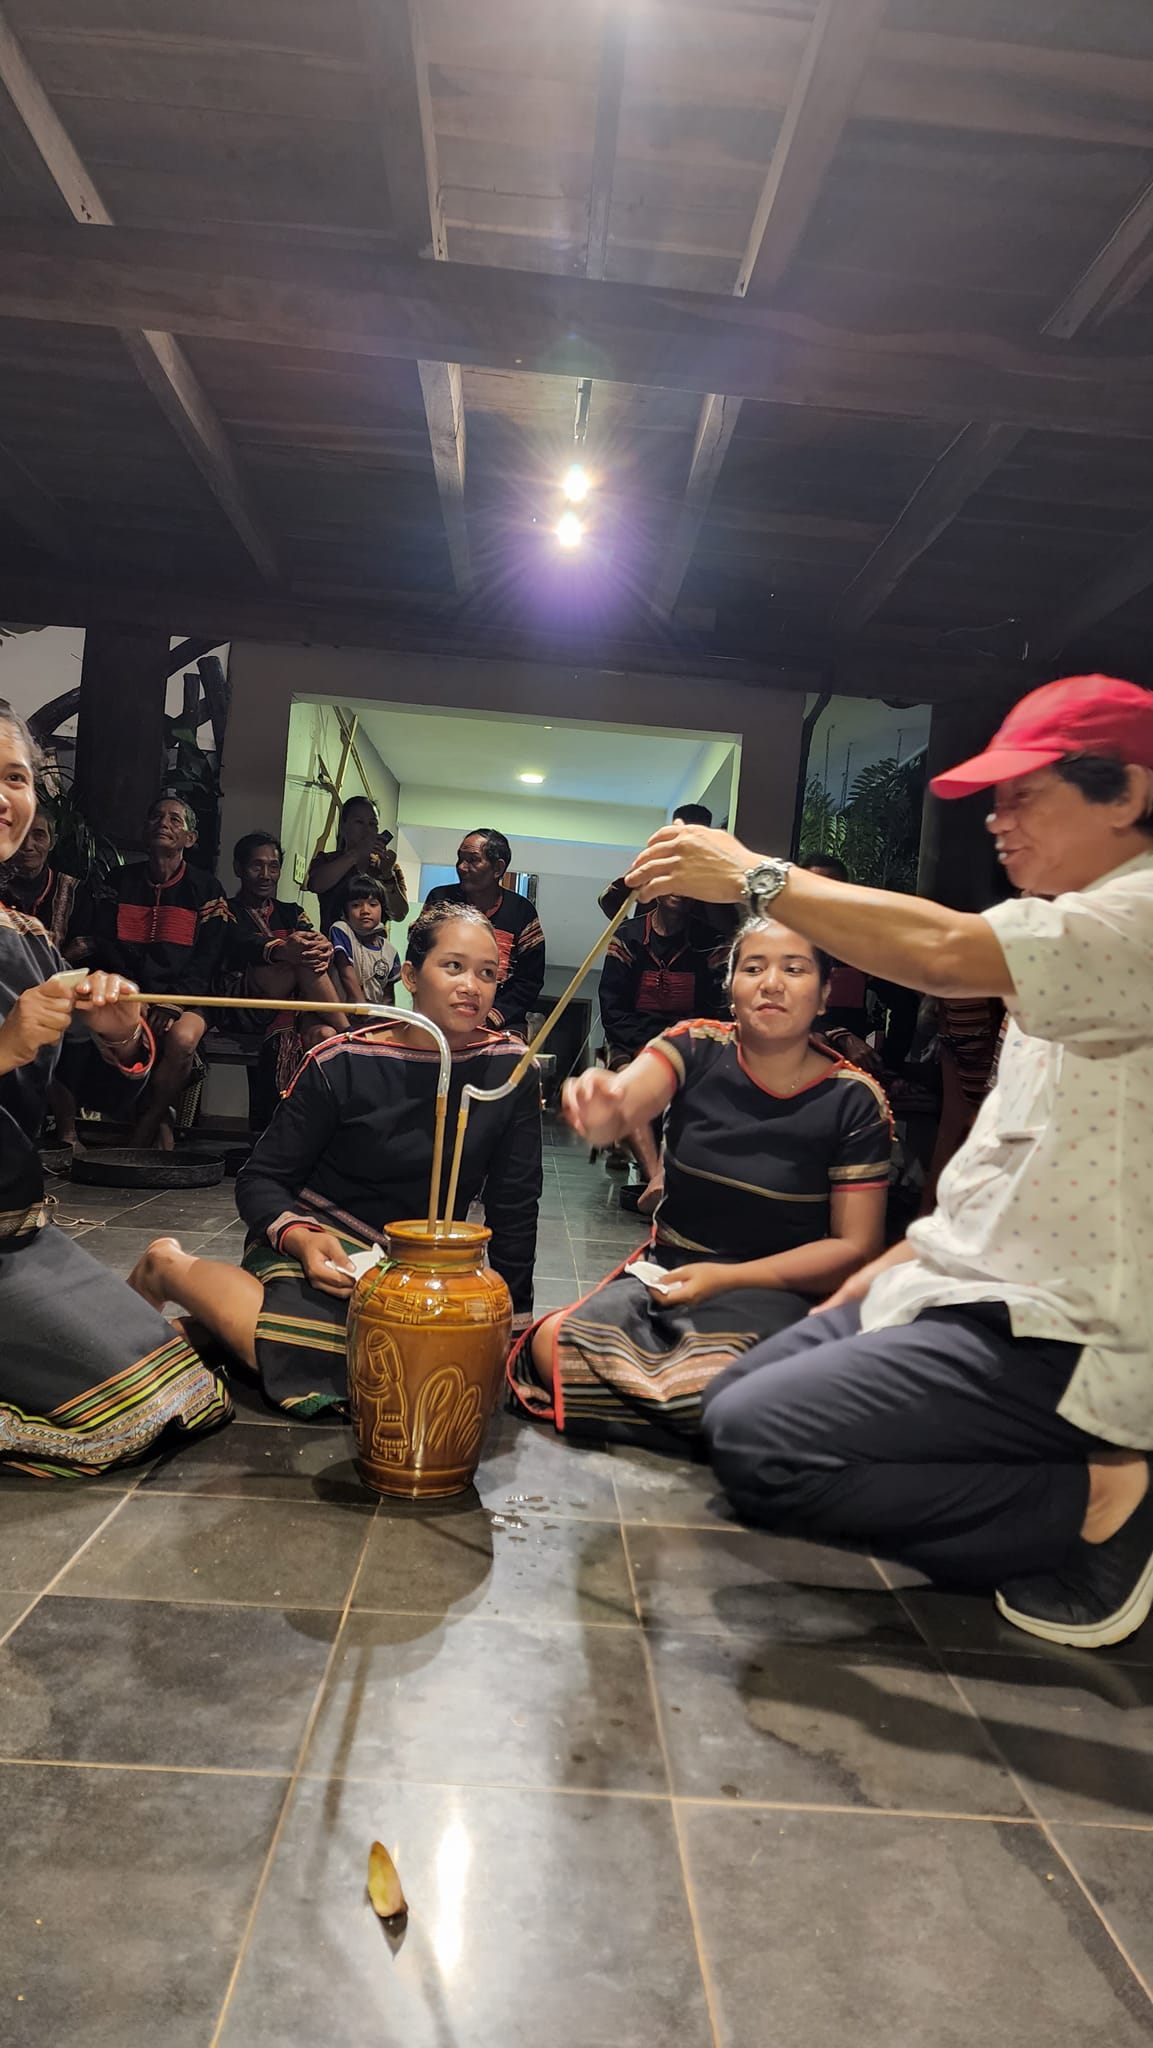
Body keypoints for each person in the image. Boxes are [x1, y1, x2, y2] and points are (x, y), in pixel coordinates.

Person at [625, 673, 1153, 1652]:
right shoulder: (1064, 937)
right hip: (963, 1279)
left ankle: (1100, 1496)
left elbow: (943, 952)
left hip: (1059, 1320)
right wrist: (892, 1268)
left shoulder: (1134, 918)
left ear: (1124, 792)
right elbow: (1004, 1160)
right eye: (753, 966)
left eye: (1023, 795)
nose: (996, 821)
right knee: (727, 1405)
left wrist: (756, 874)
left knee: (762, 1442)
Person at [127, 903, 543, 1417]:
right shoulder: (342, 1061)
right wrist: (300, 1237)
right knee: (329, 1355)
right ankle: (167, 1266)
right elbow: (260, 1181)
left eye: (487, 974)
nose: (471, 987)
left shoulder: (510, 1071)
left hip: (414, 1265)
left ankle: (208, 1332)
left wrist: (515, 1335)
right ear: (411, 976)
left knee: (411, 1368)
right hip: (320, 1245)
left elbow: (515, 1205)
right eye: (453, 967)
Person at [508, 916, 890, 1443]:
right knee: (550, 1343)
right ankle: (722, 1422)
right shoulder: (694, 1046)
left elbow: (854, 1250)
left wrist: (727, 1279)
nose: (771, 983)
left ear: (825, 994)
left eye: (794, 969)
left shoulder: (854, 1099)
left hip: (782, 1294)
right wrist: (602, 1105)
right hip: (667, 1282)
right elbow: (624, 1100)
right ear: (730, 989)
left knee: (761, 1380)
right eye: (753, 968)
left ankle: (690, 1409)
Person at [0, 699, 231, 1475]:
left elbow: (102, 1082)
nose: (4, 798)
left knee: (176, 1385)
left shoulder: (28, 940)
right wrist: (4, 1046)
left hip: (16, 1235)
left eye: (16, 778)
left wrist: (119, 1034)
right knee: (119, 1412)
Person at [83, 795, 231, 1148]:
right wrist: (135, 995)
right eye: (157, 816)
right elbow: (105, 942)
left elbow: (209, 956)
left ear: (190, 839)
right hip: (132, 995)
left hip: (188, 998)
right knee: (123, 1035)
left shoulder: (206, 888)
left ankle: (146, 1128)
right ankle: (158, 1122)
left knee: (182, 1040)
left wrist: (173, 1001)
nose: (164, 823)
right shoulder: (119, 880)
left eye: (175, 819)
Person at [598, 891, 727, 1210]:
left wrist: (680, 1045)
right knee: (630, 1086)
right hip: (631, 1042)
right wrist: (647, 1048)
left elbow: (717, 1007)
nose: (678, 892)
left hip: (690, 1043)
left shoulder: (709, 941)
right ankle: (653, 1175)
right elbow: (612, 1006)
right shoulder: (628, 936)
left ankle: (684, 1173)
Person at [223, 830, 350, 1131]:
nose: (266, 875)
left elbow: (312, 941)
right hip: (245, 1005)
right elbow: (236, 944)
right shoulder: (225, 910)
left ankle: (313, 1131)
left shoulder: (291, 911)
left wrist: (323, 947)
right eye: (256, 865)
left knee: (325, 1032)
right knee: (300, 959)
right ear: (238, 868)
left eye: (273, 866)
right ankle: (350, 1032)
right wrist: (285, 950)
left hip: (295, 1008)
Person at [424, 828, 545, 1036]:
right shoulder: (440, 900)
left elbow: (528, 981)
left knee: (512, 1052)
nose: (461, 867)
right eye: (460, 859)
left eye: (472, 860)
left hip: (501, 1021)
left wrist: (488, 1018)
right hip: (442, 1013)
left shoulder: (521, 912)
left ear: (498, 868)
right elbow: (421, 958)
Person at [598, 803, 736, 940]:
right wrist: (631, 932)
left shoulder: (709, 871)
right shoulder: (656, 862)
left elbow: (727, 925)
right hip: (651, 945)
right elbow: (608, 899)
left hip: (691, 947)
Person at [306, 795, 408, 936]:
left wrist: (387, 874)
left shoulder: (388, 867)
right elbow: (317, 884)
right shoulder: (327, 860)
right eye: (359, 822)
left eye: (372, 824)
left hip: (374, 947)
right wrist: (356, 853)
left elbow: (399, 914)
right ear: (343, 826)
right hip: (335, 944)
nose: (367, 830)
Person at [0, 806, 80, 949]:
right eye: (19, 834)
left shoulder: (74, 892)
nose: (28, 845)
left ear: (52, 842)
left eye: (38, 835)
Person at [329, 875, 401, 1008]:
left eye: (373, 904)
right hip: (344, 1011)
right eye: (356, 905)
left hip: (374, 1014)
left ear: (383, 908)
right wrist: (362, 1009)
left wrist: (385, 1017)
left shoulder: (390, 952)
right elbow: (346, 974)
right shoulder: (342, 930)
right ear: (344, 911)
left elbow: (388, 997)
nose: (365, 911)